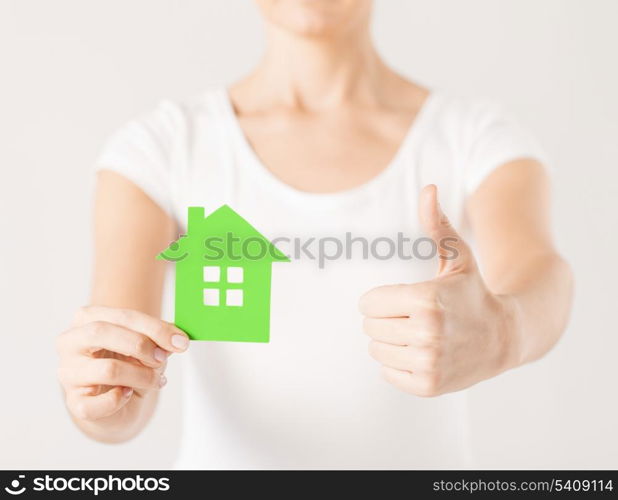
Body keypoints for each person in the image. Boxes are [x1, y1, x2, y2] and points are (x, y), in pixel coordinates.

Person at [56, 0, 573, 469]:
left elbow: (539, 272)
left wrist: (505, 331)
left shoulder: (474, 138)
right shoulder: (160, 148)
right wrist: (101, 401)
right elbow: (119, 379)